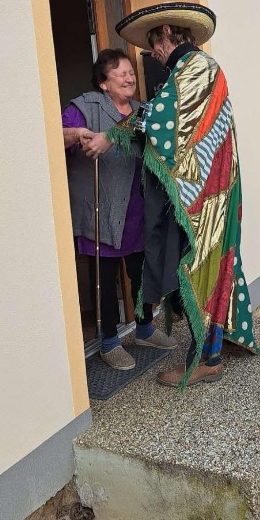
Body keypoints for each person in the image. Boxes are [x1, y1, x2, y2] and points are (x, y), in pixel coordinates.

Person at [81, 2, 259, 388]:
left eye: (152, 44)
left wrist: (111, 136)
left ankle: (208, 359)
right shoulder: (194, 69)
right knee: (214, 263)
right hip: (212, 187)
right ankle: (220, 337)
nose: (152, 54)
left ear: (166, 32)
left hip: (206, 195)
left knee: (200, 266)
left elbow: (162, 119)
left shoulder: (195, 68)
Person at [62, 48, 176, 371]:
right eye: (121, 73)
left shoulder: (142, 111)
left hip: (139, 209)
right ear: (103, 82)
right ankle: (109, 341)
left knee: (141, 272)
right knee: (105, 276)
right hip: (103, 209)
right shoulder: (86, 106)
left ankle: (144, 328)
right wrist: (77, 134)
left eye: (130, 72)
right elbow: (55, 136)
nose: (129, 78)